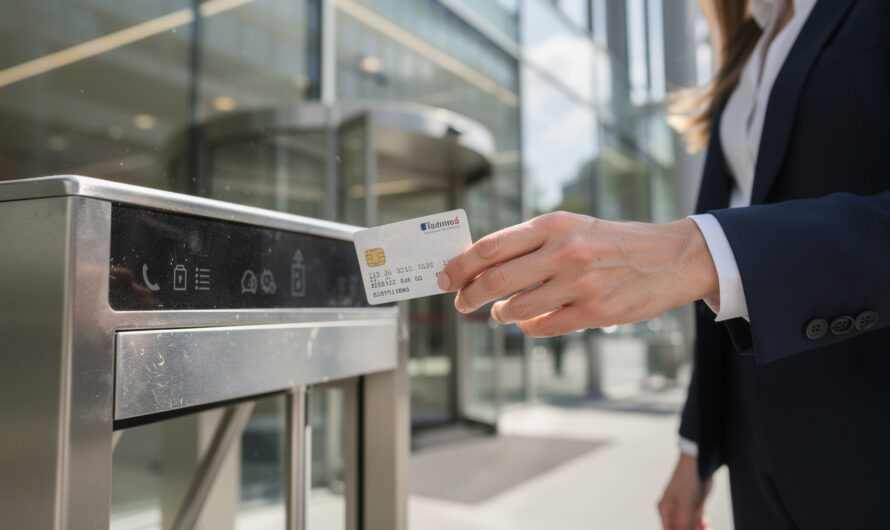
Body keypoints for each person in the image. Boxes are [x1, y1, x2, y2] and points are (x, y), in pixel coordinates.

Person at [436, 0, 890, 528]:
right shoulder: (750, 48)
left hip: (867, 434)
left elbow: (729, 254)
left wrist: (699, 252)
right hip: (755, 435)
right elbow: (732, 290)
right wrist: (695, 445)